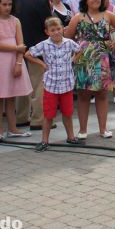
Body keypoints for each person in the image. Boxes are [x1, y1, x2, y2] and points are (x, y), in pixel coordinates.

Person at [65, 0, 115, 139]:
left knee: (102, 94)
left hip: (103, 58)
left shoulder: (108, 15)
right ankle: (82, 130)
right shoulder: (78, 17)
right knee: (83, 95)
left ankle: (103, 129)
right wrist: (77, 50)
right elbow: (67, 37)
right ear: (85, 0)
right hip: (84, 59)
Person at [0, 0, 33, 140]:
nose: (7, 7)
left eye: (10, 4)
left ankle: (13, 128)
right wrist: (16, 49)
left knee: (11, 96)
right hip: (0, 61)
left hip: (14, 59)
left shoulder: (16, 21)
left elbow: (21, 42)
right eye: (4, 4)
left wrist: (18, 62)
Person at [25, 17, 81, 151]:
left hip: (66, 84)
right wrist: (42, 64)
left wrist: (73, 60)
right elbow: (28, 54)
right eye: (52, 30)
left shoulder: (69, 43)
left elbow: (79, 50)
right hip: (51, 85)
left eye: (58, 29)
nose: (56, 32)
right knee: (49, 114)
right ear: (47, 32)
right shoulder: (44, 45)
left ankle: (71, 137)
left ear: (62, 29)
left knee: (67, 113)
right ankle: (44, 140)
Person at [13, 0, 53, 130]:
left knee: (22, 84)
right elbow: (48, 23)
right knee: (38, 84)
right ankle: (38, 119)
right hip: (37, 47)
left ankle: (21, 117)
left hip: (19, 46)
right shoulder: (41, 2)